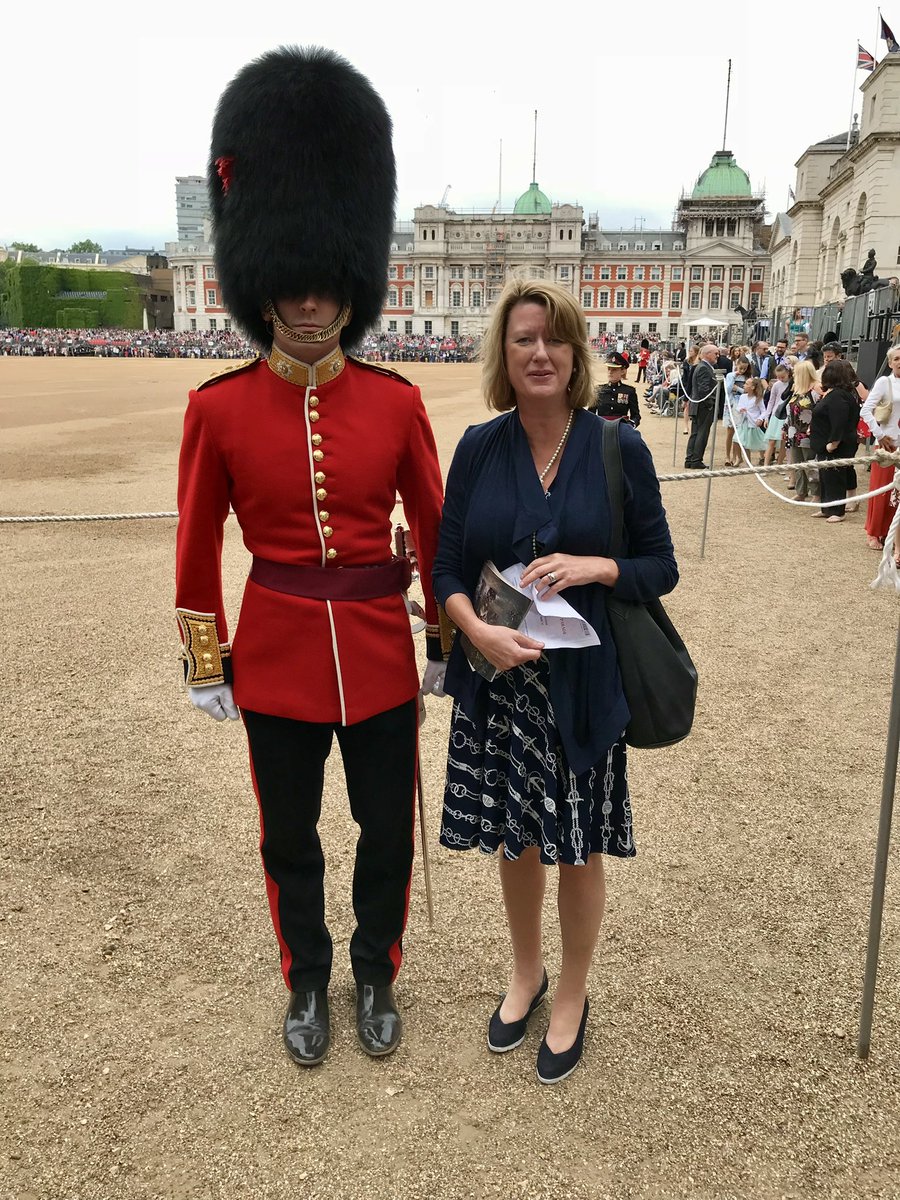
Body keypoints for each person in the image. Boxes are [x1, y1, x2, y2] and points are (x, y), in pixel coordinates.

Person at [174, 46, 447, 1068]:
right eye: (287, 285)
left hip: (378, 652)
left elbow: (437, 530)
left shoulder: (397, 403)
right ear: (261, 286)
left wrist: (441, 636)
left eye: (324, 284)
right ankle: (306, 981)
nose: (307, 303)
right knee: (290, 841)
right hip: (279, 656)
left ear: (351, 284)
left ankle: (374, 970)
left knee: (385, 835)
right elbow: (196, 540)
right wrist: (209, 658)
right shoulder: (220, 409)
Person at [433, 278, 678, 1085]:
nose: (540, 353)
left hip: (580, 687)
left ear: (576, 354)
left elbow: (659, 566)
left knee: (577, 849)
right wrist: (473, 629)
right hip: (500, 687)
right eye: (523, 340)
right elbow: (447, 570)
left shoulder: (618, 447)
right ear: (503, 355)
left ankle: (571, 990)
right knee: (517, 841)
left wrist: (596, 564)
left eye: (555, 339)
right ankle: (526, 971)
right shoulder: (478, 447)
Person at [810, 359, 859, 522]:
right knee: (826, 477)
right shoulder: (832, 393)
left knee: (835, 477)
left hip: (837, 445)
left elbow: (839, 420)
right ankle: (827, 507)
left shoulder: (838, 395)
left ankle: (838, 511)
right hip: (824, 444)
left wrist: (834, 442)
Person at [861, 346, 900, 549]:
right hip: (888, 444)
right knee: (881, 489)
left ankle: (894, 534)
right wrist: (879, 434)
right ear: (891, 362)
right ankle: (874, 532)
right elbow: (866, 410)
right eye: (896, 358)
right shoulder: (885, 382)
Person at [784, 360, 821, 499]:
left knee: (810, 463)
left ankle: (816, 493)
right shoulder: (797, 389)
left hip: (808, 433)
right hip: (794, 432)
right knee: (798, 463)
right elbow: (790, 411)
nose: (793, 374)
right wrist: (786, 427)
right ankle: (801, 491)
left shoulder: (816, 389)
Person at [684, 343, 719, 469]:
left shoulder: (701, 366)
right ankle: (696, 460)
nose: (717, 356)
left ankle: (690, 459)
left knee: (695, 433)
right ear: (707, 354)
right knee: (701, 433)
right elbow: (704, 389)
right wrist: (710, 404)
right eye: (715, 353)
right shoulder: (704, 368)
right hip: (703, 406)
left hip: (698, 404)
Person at [589, 351, 641, 424]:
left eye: (614, 369)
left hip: (621, 429)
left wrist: (630, 425)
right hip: (601, 428)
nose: (610, 372)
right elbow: (590, 413)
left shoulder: (629, 391)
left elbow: (636, 416)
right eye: (609, 369)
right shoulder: (598, 390)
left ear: (622, 371)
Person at [723, 354, 750, 467]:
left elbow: (747, 391)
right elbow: (728, 389)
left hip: (741, 406)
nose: (742, 370)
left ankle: (737, 456)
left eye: (745, 368)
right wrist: (734, 376)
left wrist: (737, 388)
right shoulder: (730, 375)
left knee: (739, 433)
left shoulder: (747, 378)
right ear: (737, 365)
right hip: (730, 405)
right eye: (741, 368)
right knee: (730, 432)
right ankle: (728, 456)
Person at [734, 376, 768, 463]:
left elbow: (764, 411)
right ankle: (743, 460)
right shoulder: (742, 396)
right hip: (743, 423)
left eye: (746, 384)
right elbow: (738, 407)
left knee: (758, 443)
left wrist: (760, 419)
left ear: (752, 387)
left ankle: (763, 458)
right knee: (738, 440)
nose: (744, 385)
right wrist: (740, 410)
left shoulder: (758, 399)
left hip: (753, 424)